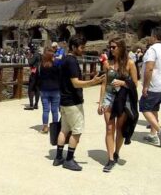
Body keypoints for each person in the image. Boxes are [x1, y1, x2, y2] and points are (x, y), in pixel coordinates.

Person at [52, 35, 105, 171]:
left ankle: (58, 157)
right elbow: (75, 83)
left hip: (64, 101)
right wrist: (93, 82)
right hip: (73, 102)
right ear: (74, 47)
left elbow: (70, 80)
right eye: (81, 47)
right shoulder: (72, 61)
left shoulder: (64, 60)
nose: (83, 50)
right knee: (76, 131)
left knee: (64, 130)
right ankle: (69, 159)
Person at [97, 37, 139, 172]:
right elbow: (104, 83)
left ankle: (116, 152)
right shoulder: (107, 63)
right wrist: (101, 101)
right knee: (109, 129)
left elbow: (135, 83)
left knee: (120, 129)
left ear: (121, 48)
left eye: (114, 47)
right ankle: (110, 159)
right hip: (109, 97)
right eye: (110, 47)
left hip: (122, 99)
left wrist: (123, 83)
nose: (111, 49)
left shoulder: (130, 63)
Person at [140, 27, 161, 146]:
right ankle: (153, 135)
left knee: (144, 107)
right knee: (154, 108)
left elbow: (149, 68)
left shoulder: (152, 50)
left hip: (154, 85)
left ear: (154, 36)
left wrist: (146, 86)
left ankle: (160, 131)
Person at [36, 49, 60, 134]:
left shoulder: (41, 65)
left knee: (46, 110)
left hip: (44, 90)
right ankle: (55, 129)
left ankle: (45, 127)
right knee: (55, 110)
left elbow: (38, 77)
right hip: (56, 89)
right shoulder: (56, 64)